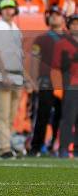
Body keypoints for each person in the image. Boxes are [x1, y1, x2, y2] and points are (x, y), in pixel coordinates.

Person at [0, 0, 34, 159]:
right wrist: (4, 74)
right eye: (5, 8)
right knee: (4, 113)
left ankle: (7, 145)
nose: (8, 11)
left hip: (16, 73)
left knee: (12, 114)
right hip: (4, 73)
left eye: (11, 8)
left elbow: (19, 56)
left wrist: (27, 78)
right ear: (0, 11)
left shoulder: (15, 28)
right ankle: (4, 148)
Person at [28, 7, 65, 156]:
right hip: (46, 81)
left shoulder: (70, 38)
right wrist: (32, 80)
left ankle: (55, 145)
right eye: (51, 15)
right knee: (42, 114)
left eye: (57, 15)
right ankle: (36, 147)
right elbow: (34, 60)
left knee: (62, 116)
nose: (54, 18)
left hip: (65, 83)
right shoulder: (41, 39)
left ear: (63, 19)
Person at [52, 14, 77, 158]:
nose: (76, 26)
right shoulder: (62, 43)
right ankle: (63, 148)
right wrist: (58, 88)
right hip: (70, 85)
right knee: (68, 118)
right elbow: (55, 67)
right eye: (73, 24)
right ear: (68, 25)